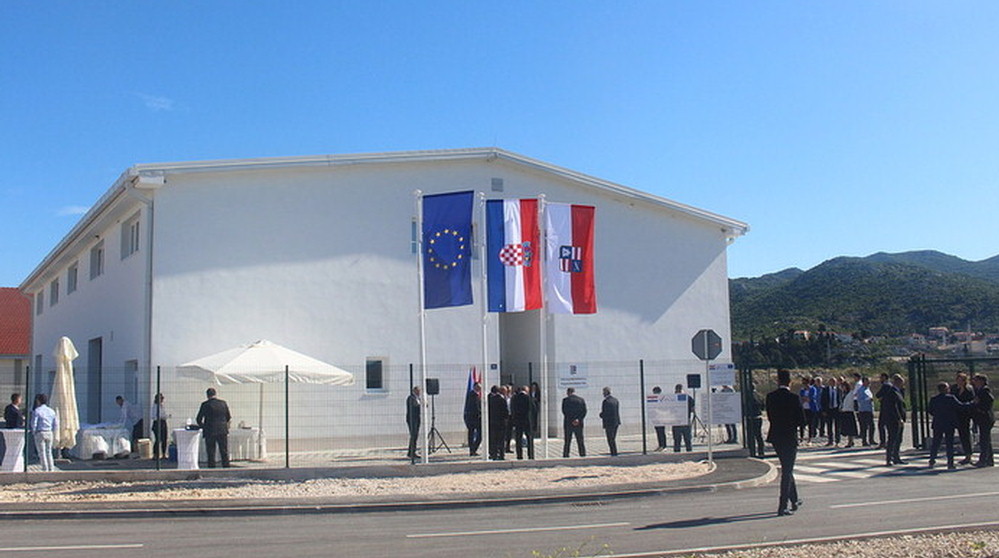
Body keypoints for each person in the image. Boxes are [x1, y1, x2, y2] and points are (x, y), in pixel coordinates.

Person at [766, 369, 805, 517]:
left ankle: (794, 500)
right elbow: (801, 420)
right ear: (790, 382)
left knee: (787, 467)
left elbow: (770, 417)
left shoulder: (770, 397)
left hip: (776, 436)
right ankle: (782, 505)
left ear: (778, 381)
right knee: (787, 471)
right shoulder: (794, 398)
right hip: (789, 436)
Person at [927, 381, 963, 469]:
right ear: (946, 389)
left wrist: (938, 415)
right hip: (949, 423)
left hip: (938, 423)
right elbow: (960, 406)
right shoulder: (951, 398)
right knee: (949, 444)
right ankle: (950, 463)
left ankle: (932, 460)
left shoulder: (934, 399)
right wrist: (972, 403)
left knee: (936, 443)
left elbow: (930, 410)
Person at [196, 388, 232, 468]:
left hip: (210, 430)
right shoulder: (223, 403)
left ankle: (211, 468)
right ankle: (226, 467)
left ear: (207, 395)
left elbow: (198, 419)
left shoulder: (205, 405)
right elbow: (228, 417)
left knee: (211, 452)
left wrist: (203, 426)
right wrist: (223, 423)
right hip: (222, 430)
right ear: (215, 394)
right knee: (224, 451)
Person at [881, 375, 907, 466]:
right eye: (902, 382)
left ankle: (896, 457)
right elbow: (893, 407)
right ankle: (889, 458)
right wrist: (899, 418)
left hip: (899, 419)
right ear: (897, 382)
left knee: (898, 439)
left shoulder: (899, 391)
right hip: (893, 420)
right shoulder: (892, 392)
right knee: (892, 439)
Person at [952, 372, 976, 465]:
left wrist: (964, 406)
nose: (958, 382)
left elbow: (972, 401)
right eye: (957, 380)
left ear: (965, 381)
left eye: (961, 380)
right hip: (956, 415)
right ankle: (965, 453)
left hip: (965, 415)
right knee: (961, 434)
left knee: (966, 434)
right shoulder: (954, 389)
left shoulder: (969, 389)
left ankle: (968, 455)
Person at [971, 374, 994, 468]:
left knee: (984, 440)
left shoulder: (984, 390)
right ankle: (989, 460)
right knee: (986, 439)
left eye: (976, 380)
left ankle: (983, 460)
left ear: (982, 381)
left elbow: (990, 400)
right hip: (982, 418)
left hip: (985, 418)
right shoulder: (978, 390)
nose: (974, 382)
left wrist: (981, 408)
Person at [30, 393, 58, 472]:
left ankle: (45, 468)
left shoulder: (37, 411)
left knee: (41, 452)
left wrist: (34, 431)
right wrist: (53, 431)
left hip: (40, 432)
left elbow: (34, 423)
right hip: (49, 432)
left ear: (38, 401)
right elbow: (55, 424)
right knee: (49, 452)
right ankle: (51, 468)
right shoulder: (51, 411)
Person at [510, 385, 536, 460]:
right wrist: (533, 422)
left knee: (518, 438)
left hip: (518, 421)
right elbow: (534, 410)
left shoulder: (515, 398)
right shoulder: (529, 398)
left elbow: (512, 409)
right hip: (527, 421)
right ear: (526, 391)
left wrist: (514, 420)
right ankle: (530, 455)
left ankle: (519, 455)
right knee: (529, 438)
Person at [561, 387, 586, 458]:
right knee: (580, 440)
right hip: (579, 423)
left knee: (567, 441)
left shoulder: (565, 400)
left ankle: (566, 454)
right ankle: (582, 454)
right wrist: (578, 419)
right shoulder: (581, 400)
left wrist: (572, 420)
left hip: (568, 423)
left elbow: (564, 411)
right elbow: (584, 411)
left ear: (568, 392)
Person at [487, 385, 509, 460]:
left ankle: (494, 454)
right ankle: (501, 455)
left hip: (492, 422)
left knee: (493, 439)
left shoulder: (490, 400)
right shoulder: (502, 400)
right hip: (501, 423)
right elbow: (505, 412)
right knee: (501, 440)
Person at [745, 383, 766, 458]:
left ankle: (752, 450)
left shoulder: (747, 395)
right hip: (758, 416)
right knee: (758, 435)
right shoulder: (758, 395)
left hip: (751, 417)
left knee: (751, 435)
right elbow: (763, 405)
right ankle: (761, 451)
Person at [672, 384, 694, 452]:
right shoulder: (688, 397)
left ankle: (677, 453)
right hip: (684, 420)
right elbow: (692, 409)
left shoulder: (672, 398)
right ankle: (689, 452)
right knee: (687, 439)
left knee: (678, 440)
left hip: (677, 421)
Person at [599, 386, 621, 456]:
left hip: (609, 423)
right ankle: (614, 452)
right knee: (613, 438)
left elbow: (605, 413)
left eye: (603, 392)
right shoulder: (615, 400)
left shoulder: (606, 401)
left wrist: (601, 415)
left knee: (610, 439)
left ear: (606, 392)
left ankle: (613, 452)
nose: (603, 394)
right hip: (616, 422)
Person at [837, 379, 858, 448]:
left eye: (844, 386)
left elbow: (852, 402)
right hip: (844, 412)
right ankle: (850, 441)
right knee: (846, 428)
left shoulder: (851, 393)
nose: (843, 388)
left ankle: (850, 441)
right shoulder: (843, 394)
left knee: (850, 429)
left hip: (849, 412)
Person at [855, 376, 875, 446]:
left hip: (869, 410)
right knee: (864, 427)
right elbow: (860, 400)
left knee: (872, 426)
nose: (869, 382)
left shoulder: (868, 389)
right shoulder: (860, 390)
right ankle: (864, 441)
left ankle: (871, 440)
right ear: (864, 382)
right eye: (867, 381)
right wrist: (868, 399)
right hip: (863, 410)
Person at [463, 383, 482, 456]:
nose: (480, 389)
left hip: (474, 418)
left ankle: (473, 449)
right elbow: (475, 407)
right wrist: (481, 413)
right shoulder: (472, 395)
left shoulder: (475, 395)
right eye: (479, 387)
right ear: (475, 387)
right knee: (474, 434)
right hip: (473, 418)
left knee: (476, 434)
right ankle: (472, 449)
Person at [150, 393, 170, 459]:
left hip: (163, 423)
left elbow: (164, 414)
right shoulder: (155, 406)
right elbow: (154, 416)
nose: (162, 400)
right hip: (157, 423)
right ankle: (155, 454)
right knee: (158, 439)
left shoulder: (162, 406)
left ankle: (164, 454)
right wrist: (162, 416)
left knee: (164, 439)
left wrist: (166, 416)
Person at [405, 385, 422, 460]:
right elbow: (414, 406)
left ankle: (412, 451)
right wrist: (420, 405)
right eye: (417, 391)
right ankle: (411, 452)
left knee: (415, 436)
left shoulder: (419, 398)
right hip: (412, 419)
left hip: (417, 418)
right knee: (413, 435)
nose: (419, 392)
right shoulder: (411, 398)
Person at [875, 372, 891, 449]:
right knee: (888, 426)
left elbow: (878, 394)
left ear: (884, 377)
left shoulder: (886, 386)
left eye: (881, 378)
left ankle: (883, 442)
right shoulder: (891, 385)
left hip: (885, 408)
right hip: (889, 408)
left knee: (881, 425)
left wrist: (882, 398)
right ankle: (888, 442)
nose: (880, 379)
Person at [650, 386, 668, 451]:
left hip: (661, 418)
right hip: (656, 418)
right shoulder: (654, 399)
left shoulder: (662, 399)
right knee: (658, 432)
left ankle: (664, 445)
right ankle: (660, 445)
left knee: (661, 432)